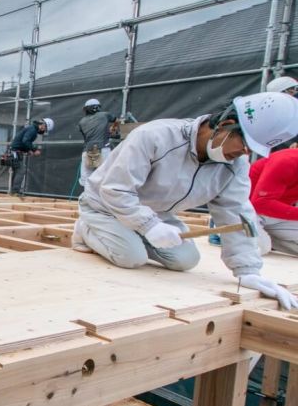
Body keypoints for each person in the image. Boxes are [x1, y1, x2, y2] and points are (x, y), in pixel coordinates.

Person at [73, 92, 298, 311]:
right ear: (226, 124)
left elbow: (236, 211)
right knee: (131, 257)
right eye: (245, 144)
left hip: (154, 213)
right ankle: (86, 228)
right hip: (105, 205)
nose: (243, 153)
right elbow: (116, 188)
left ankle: (127, 235)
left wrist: (248, 270)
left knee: (185, 260)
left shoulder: (234, 166)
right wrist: (148, 226)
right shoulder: (156, 136)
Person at [250, 143, 298, 256]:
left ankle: (265, 237)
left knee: (261, 244)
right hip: (246, 208)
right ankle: (224, 231)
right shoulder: (287, 160)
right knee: (259, 248)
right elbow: (260, 203)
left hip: (276, 215)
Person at [78, 99, 118, 187]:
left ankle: (87, 198)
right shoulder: (104, 115)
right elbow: (116, 120)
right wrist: (113, 129)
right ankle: (102, 199)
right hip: (103, 149)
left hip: (88, 150)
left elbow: (88, 136)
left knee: (87, 177)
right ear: (97, 107)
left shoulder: (82, 121)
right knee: (105, 176)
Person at [7, 117, 53, 195]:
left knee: (17, 171)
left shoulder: (32, 129)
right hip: (15, 152)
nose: (44, 131)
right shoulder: (33, 130)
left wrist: (28, 150)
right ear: (43, 125)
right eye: (45, 129)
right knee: (21, 170)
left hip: (14, 151)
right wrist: (34, 150)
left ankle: (13, 191)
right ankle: (15, 191)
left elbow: (23, 141)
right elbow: (25, 140)